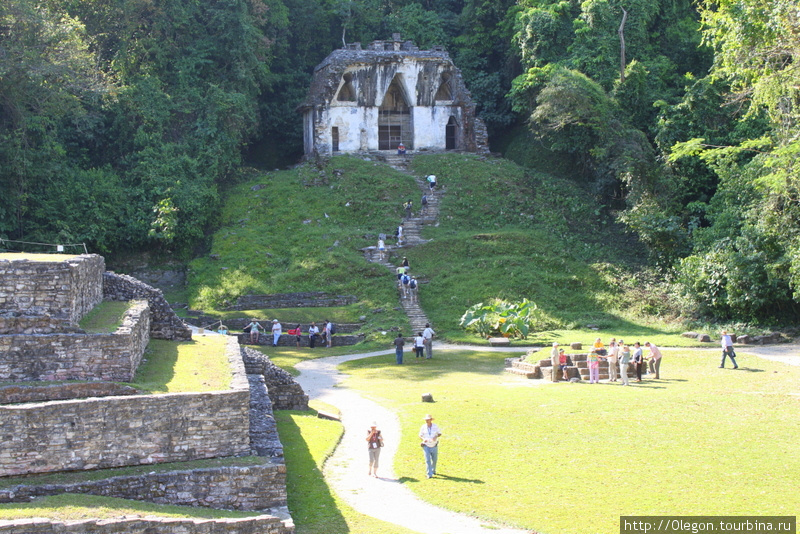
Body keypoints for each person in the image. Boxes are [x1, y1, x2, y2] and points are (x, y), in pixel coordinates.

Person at [419, 414, 442, 479]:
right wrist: (423, 439)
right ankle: (429, 474)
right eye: (426, 420)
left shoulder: (435, 426)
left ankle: (433, 470)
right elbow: (420, 435)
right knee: (428, 460)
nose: (427, 421)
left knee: (434, 460)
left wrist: (435, 437)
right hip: (426, 445)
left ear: (431, 420)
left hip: (434, 445)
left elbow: (439, 433)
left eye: (428, 420)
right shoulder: (423, 427)